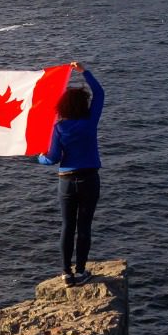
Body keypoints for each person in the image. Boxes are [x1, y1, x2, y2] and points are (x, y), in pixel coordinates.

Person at [37, 61, 104, 286]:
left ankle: (66, 273)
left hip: (66, 182)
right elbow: (100, 93)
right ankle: (82, 271)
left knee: (68, 226)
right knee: (84, 226)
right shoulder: (90, 122)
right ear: (83, 106)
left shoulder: (59, 128)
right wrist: (84, 71)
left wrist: (38, 156)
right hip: (89, 180)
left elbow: (52, 158)